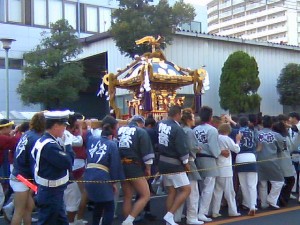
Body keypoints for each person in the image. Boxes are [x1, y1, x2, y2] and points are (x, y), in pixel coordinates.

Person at [31, 110, 75, 225]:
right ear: (55, 126)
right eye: (64, 126)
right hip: (51, 191)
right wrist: (68, 145)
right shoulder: (50, 146)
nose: (65, 129)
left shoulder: (43, 140)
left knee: (61, 221)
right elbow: (68, 162)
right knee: (47, 221)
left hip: (50, 190)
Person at [84, 115, 124, 225]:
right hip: (102, 176)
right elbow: (115, 165)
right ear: (112, 129)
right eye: (116, 128)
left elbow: (88, 135)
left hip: (88, 174)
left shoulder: (91, 139)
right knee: (109, 207)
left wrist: (88, 127)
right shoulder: (112, 144)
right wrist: (114, 182)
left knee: (98, 205)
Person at [117, 115, 155, 225]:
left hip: (121, 165)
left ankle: (127, 221)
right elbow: (147, 153)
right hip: (134, 165)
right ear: (141, 123)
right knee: (145, 194)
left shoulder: (120, 130)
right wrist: (148, 169)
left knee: (127, 196)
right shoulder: (140, 132)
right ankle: (129, 220)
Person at [9, 112, 46, 225]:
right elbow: (34, 162)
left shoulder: (27, 134)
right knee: (19, 211)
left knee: (28, 208)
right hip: (22, 177)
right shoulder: (36, 139)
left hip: (19, 174)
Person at [157, 105, 191, 225]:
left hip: (162, 161)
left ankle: (169, 220)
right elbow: (181, 148)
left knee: (171, 191)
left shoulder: (160, 125)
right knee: (187, 189)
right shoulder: (177, 129)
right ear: (178, 114)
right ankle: (170, 214)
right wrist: (186, 164)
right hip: (174, 163)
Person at [193, 106, 222, 222]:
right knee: (208, 188)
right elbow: (214, 148)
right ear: (210, 117)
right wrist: (219, 153)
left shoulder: (195, 129)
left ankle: (198, 211)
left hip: (197, 159)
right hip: (209, 159)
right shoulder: (212, 130)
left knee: (200, 188)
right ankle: (202, 212)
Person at [175, 108, 203, 225]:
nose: (194, 119)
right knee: (193, 191)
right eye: (192, 117)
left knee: (180, 191)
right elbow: (191, 147)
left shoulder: (179, 129)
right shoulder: (189, 132)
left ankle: (176, 216)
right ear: (188, 119)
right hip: (189, 161)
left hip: (178, 162)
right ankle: (191, 217)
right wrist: (198, 149)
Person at [211, 123, 241, 218]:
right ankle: (233, 211)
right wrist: (238, 141)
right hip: (226, 168)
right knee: (230, 191)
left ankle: (215, 211)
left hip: (216, 166)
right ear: (228, 130)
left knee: (217, 191)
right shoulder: (226, 138)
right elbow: (236, 149)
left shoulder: (216, 138)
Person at [256, 115, 284, 209]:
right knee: (279, 181)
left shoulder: (257, 133)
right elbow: (281, 148)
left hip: (259, 160)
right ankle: (271, 199)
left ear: (262, 124)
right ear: (272, 124)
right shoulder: (276, 135)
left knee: (262, 183)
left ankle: (264, 203)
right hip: (272, 160)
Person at [235, 116, 258, 216]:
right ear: (248, 122)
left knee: (243, 185)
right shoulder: (253, 131)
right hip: (251, 156)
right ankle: (253, 205)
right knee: (252, 185)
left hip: (240, 157)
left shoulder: (236, 131)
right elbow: (258, 142)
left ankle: (248, 205)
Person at [272, 119, 296, 207]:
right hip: (285, 160)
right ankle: (284, 198)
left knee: (278, 181)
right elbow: (291, 147)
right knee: (290, 180)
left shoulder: (273, 136)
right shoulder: (285, 137)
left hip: (275, 161)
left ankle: (278, 198)